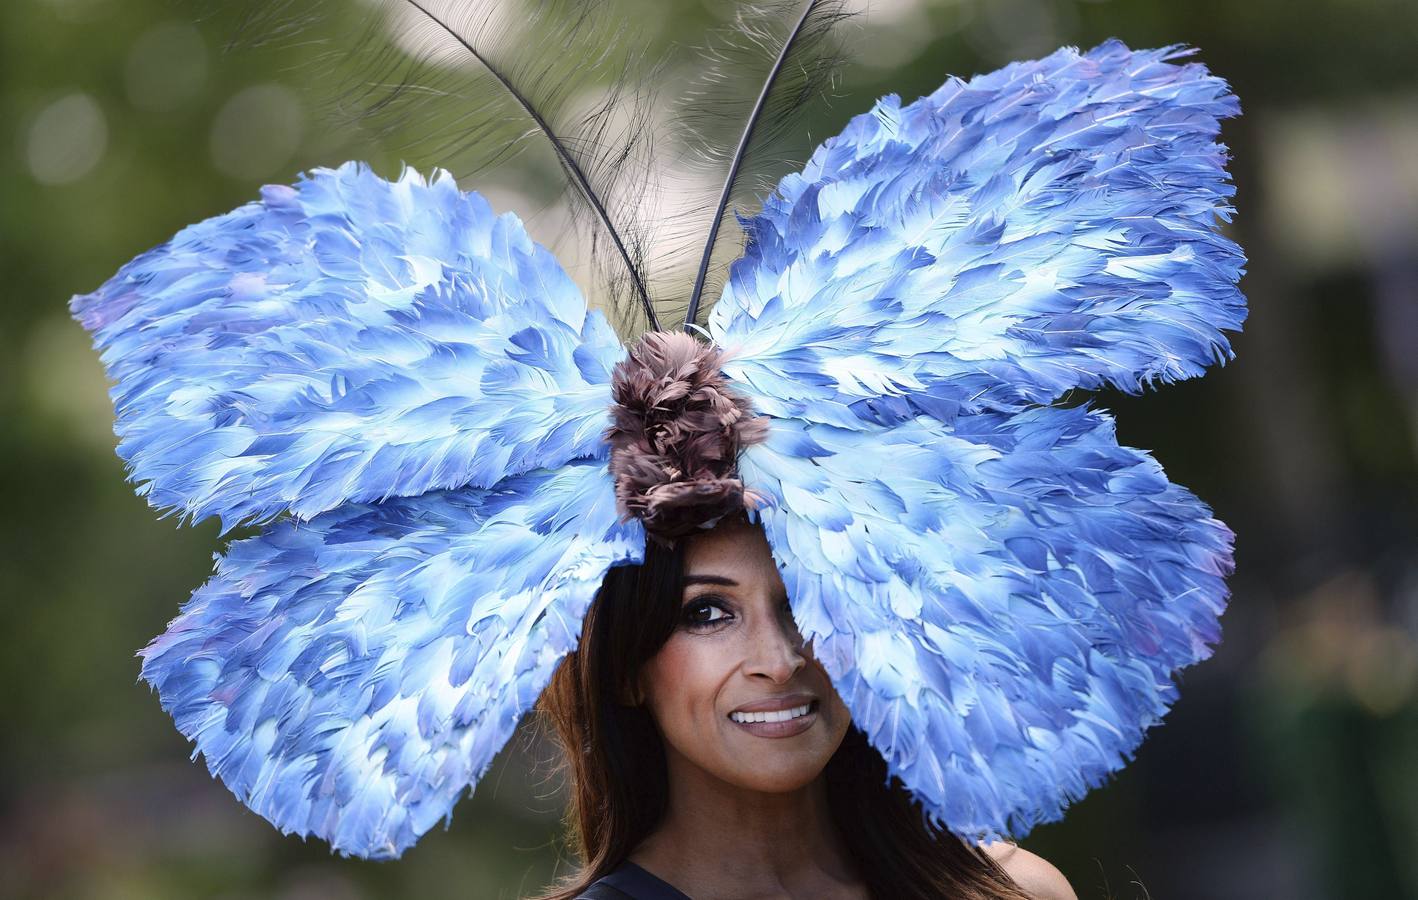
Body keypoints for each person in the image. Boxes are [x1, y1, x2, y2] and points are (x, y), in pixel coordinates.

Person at [539, 515, 1076, 900]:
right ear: (628, 672)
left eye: (805, 596)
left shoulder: (1018, 890)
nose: (779, 660)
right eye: (707, 613)